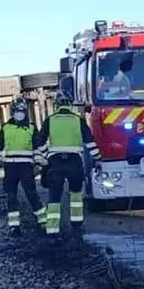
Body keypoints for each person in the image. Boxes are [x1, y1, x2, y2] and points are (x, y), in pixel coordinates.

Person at [34, 91, 102, 236]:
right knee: (76, 196)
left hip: (56, 163)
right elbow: (90, 142)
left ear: (56, 105)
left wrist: (47, 156)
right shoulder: (78, 120)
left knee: (54, 198)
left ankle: (52, 232)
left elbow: (39, 141)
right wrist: (98, 158)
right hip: (74, 163)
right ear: (70, 105)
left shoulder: (50, 120)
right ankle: (76, 229)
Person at [0, 98, 46, 235]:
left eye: (21, 111)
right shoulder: (5, 128)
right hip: (10, 168)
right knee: (11, 197)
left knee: (32, 195)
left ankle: (43, 222)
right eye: (16, 111)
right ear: (12, 112)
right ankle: (14, 227)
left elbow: (36, 149)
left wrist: (38, 163)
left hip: (26, 168)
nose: (19, 114)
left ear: (25, 112)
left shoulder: (32, 127)